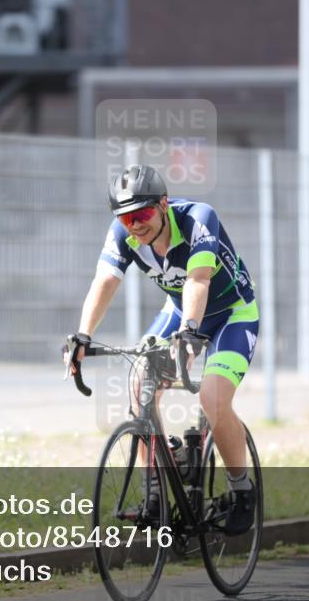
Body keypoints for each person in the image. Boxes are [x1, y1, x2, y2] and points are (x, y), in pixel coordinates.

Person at [65, 164, 258, 535]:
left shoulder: (199, 219)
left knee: (213, 399)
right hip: (180, 310)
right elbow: (105, 280)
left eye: (142, 214)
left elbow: (198, 280)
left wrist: (189, 334)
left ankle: (241, 491)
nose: (134, 225)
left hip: (232, 313)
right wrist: (82, 335)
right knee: (140, 381)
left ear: (164, 204)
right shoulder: (125, 234)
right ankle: (154, 490)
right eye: (125, 218)